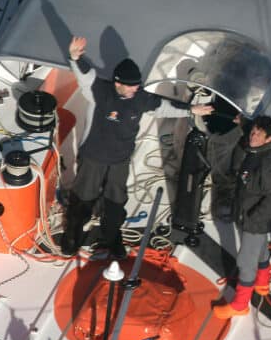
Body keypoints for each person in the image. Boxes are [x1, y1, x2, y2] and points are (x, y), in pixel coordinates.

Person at [61, 36, 213, 258]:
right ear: (117, 83)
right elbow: (84, 75)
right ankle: (72, 236)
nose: (135, 89)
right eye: (131, 86)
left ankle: (112, 239)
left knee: (116, 203)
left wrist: (192, 109)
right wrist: (75, 57)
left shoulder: (139, 98)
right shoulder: (98, 92)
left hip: (120, 160)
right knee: (83, 199)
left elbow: (163, 106)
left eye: (137, 85)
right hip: (93, 157)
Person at [212, 114, 271, 319]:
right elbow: (251, 133)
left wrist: (253, 218)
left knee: (245, 262)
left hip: (254, 221)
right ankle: (262, 283)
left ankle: (239, 304)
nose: (252, 136)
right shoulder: (261, 147)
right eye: (253, 131)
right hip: (250, 214)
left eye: (258, 134)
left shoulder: (266, 166)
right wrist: (244, 123)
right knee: (261, 250)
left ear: (269, 139)